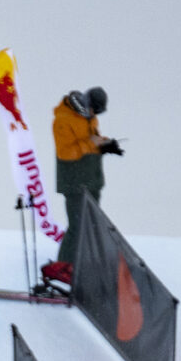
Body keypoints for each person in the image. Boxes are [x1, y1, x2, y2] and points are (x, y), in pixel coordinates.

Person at [44, 86, 123, 286]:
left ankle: (82, 264)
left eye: (98, 112)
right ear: (87, 103)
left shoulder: (90, 117)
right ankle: (63, 267)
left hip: (92, 180)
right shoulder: (63, 120)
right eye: (94, 110)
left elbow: (92, 139)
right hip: (74, 182)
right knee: (78, 226)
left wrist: (106, 144)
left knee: (91, 225)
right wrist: (93, 145)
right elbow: (65, 153)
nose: (95, 114)